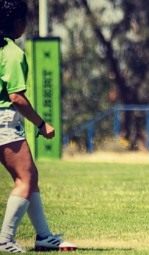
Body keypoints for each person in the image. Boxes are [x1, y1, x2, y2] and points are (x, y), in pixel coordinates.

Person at [0, 0, 77, 252]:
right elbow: (16, 97)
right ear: (20, 23)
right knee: (26, 178)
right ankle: (5, 239)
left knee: (30, 177)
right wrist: (42, 124)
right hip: (5, 123)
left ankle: (43, 236)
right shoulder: (11, 53)